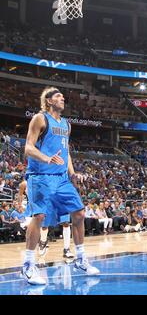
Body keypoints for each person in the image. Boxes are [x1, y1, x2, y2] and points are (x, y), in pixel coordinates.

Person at [22, 86, 99, 285]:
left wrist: (72, 173)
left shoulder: (66, 124)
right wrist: (46, 158)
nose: (62, 98)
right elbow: (28, 147)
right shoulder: (40, 118)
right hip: (40, 175)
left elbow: (66, 152)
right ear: (48, 101)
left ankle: (81, 259)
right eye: (58, 96)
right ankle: (28, 265)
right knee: (39, 216)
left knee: (79, 213)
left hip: (61, 178)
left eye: (62, 96)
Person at [19, 180, 75, 258]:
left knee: (66, 222)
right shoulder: (26, 183)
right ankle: (43, 241)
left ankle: (67, 249)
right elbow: (21, 195)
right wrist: (20, 205)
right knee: (43, 226)